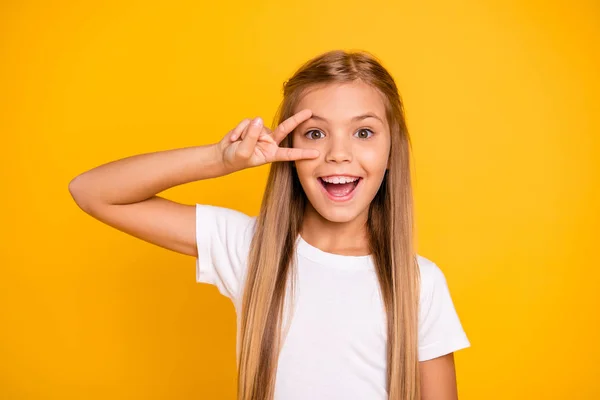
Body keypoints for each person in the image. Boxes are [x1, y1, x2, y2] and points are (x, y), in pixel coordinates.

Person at [69, 50, 470, 400]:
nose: (338, 154)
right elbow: (92, 191)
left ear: (390, 150)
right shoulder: (248, 248)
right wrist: (219, 160)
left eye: (363, 132)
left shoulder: (419, 283)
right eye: (315, 133)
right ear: (287, 149)